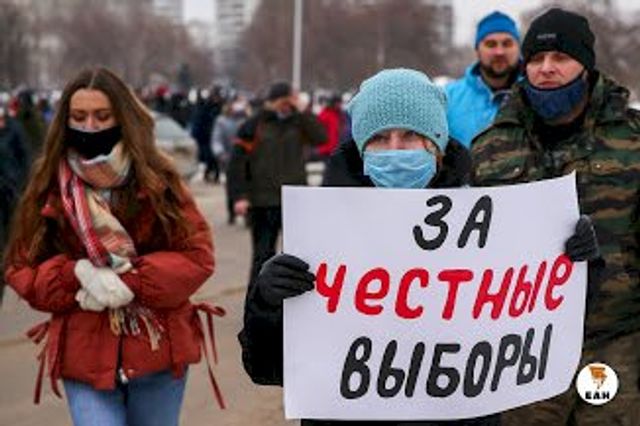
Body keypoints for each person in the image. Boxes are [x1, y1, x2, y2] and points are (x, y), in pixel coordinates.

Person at [238, 68, 502, 425]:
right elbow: (266, 368)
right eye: (379, 137)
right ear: (362, 149)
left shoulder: (486, 228)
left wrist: (571, 259)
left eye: (410, 135)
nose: (394, 149)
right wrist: (267, 303)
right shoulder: (321, 230)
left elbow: (528, 330)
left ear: (436, 145)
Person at [3, 67, 220, 426]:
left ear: (122, 117)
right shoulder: (47, 184)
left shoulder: (159, 179)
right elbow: (20, 267)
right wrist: (76, 275)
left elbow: (198, 256)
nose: (90, 126)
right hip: (84, 355)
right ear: (65, 120)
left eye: (102, 116)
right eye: (79, 117)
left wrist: (130, 281)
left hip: (157, 352)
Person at [471, 8, 639, 425]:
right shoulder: (490, 147)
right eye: (536, 59)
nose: (546, 68)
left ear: (586, 66)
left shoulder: (633, 140)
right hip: (522, 345)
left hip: (613, 341)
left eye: (560, 57)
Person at [227, 80, 326, 297]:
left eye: (291, 100)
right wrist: (239, 196)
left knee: (298, 257)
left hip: (295, 201)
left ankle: (294, 302)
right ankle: (256, 302)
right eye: (285, 100)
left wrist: (302, 111)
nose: (287, 105)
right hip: (263, 202)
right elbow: (237, 164)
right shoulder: (255, 124)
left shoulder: (298, 122)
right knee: (262, 257)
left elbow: (321, 137)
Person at [445, 11, 521, 149]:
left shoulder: (535, 95)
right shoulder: (448, 98)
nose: (499, 52)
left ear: (518, 48)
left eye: (507, 44)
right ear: (477, 49)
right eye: (491, 44)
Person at [0, 107, 31, 304]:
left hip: (11, 191)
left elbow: (24, 158)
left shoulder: (14, 129)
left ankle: (11, 266)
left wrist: (21, 183)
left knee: (12, 232)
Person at [212, 96, 249, 224]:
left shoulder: (247, 120)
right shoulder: (222, 121)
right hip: (228, 158)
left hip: (246, 159)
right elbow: (217, 139)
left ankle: (247, 213)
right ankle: (232, 212)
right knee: (231, 185)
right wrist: (220, 153)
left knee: (247, 185)